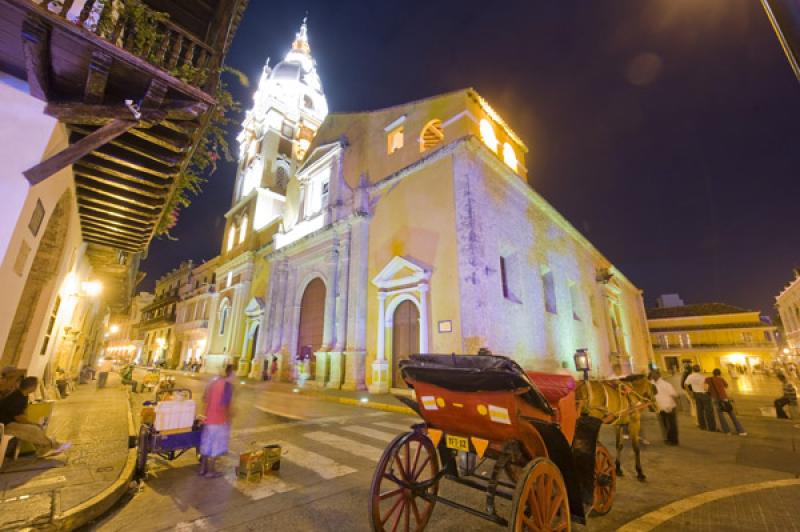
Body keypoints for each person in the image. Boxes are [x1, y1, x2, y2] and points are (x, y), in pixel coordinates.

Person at [0, 377, 70, 457]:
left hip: (11, 422)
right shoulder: (16, 397)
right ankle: (51, 446)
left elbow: (21, 413)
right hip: (5, 425)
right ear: (31, 387)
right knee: (34, 429)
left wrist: (32, 423)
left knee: (37, 427)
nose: (36, 387)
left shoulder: (23, 395)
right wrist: (32, 423)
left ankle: (45, 448)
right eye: (36, 385)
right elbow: (18, 417)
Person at [199, 364, 235, 477]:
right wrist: (229, 418)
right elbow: (225, 405)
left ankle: (202, 469)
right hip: (219, 420)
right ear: (230, 373)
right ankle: (211, 471)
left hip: (208, 418)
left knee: (206, 443)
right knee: (216, 445)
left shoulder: (212, 382)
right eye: (234, 374)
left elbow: (204, 398)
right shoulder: (227, 386)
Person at [706, 368, 746, 435]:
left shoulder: (708, 379)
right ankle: (741, 431)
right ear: (720, 373)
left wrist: (710, 392)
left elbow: (705, 388)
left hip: (715, 399)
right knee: (732, 415)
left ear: (713, 373)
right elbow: (726, 388)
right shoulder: (721, 379)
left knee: (721, 416)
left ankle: (727, 431)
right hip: (725, 399)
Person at [650, 370, 679, 445]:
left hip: (669, 407)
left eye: (654, 374)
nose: (652, 376)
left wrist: (676, 405)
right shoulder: (652, 384)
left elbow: (674, 395)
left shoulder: (666, 384)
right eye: (651, 374)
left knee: (671, 425)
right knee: (665, 424)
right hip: (660, 407)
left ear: (658, 374)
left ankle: (674, 440)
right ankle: (668, 439)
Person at [684, 365, 716, 431]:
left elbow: (685, 385)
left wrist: (690, 393)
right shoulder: (703, 377)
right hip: (704, 395)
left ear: (693, 369)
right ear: (700, 369)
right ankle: (712, 428)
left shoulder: (690, 376)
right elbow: (707, 387)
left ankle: (702, 426)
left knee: (699, 411)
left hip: (696, 395)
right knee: (709, 411)